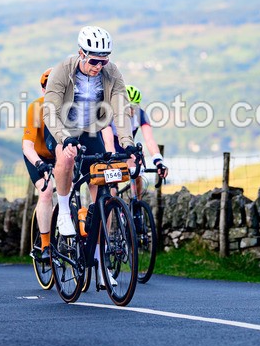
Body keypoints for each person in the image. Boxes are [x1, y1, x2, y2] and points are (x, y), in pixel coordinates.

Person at [43, 26, 137, 239]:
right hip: (60, 128)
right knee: (67, 157)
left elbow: (121, 109)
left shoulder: (111, 72)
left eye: (103, 61)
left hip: (90, 130)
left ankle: (99, 248)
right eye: (94, 61)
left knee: (101, 182)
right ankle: (65, 211)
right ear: (81, 54)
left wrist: (127, 142)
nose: (98, 66)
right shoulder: (63, 69)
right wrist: (64, 138)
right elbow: (50, 112)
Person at [102, 85, 169, 195]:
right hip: (109, 150)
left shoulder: (140, 115)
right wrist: (113, 162)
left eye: (134, 106)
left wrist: (159, 162)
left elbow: (149, 140)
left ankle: (137, 207)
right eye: (128, 106)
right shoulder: (109, 115)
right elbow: (108, 142)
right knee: (112, 187)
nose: (131, 110)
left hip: (127, 151)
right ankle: (113, 207)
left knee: (137, 173)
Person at [22, 68, 57, 259]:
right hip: (37, 156)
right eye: (48, 88)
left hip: (60, 156)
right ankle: (45, 246)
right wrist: (39, 164)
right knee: (46, 190)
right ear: (43, 90)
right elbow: (27, 146)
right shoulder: (36, 108)